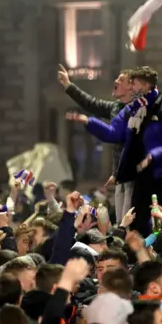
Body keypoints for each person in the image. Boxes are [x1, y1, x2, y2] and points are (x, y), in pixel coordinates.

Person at [67, 66, 162, 236]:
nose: (131, 88)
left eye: (134, 84)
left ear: (145, 86)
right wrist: (88, 122)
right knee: (138, 225)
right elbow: (113, 133)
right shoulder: (132, 109)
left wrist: (152, 156)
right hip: (141, 177)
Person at [58, 66, 135, 221]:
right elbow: (91, 103)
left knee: (130, 220)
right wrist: (68, 85)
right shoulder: (116, 107)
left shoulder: (138, 110)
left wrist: (88, 121)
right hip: (122, 176)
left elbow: (113, 135)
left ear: (132, 87)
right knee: (121, 220)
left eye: (121, 79)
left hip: (135, 176)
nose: (116, 81)